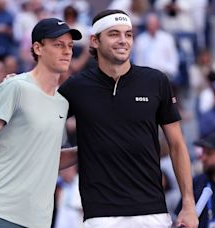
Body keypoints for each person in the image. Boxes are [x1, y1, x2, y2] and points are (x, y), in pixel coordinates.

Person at [58, 9, 198, 227]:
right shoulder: (76, 87)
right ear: (94, 41)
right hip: (100, 215)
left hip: (152, 212)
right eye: (114, 34)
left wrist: (188, 206)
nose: (123, 40)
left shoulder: (156, 81)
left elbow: (178, 145)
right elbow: (40, 126)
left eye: (128, 34)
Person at [0, 18, 81, 228]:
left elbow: (45, 159)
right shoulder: (14, 87)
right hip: (0, 213)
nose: (67, 51)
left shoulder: (62, 104)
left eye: (70, 46)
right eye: (58, 45)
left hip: (39, 220)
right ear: (37, 48)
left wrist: (87, 150)